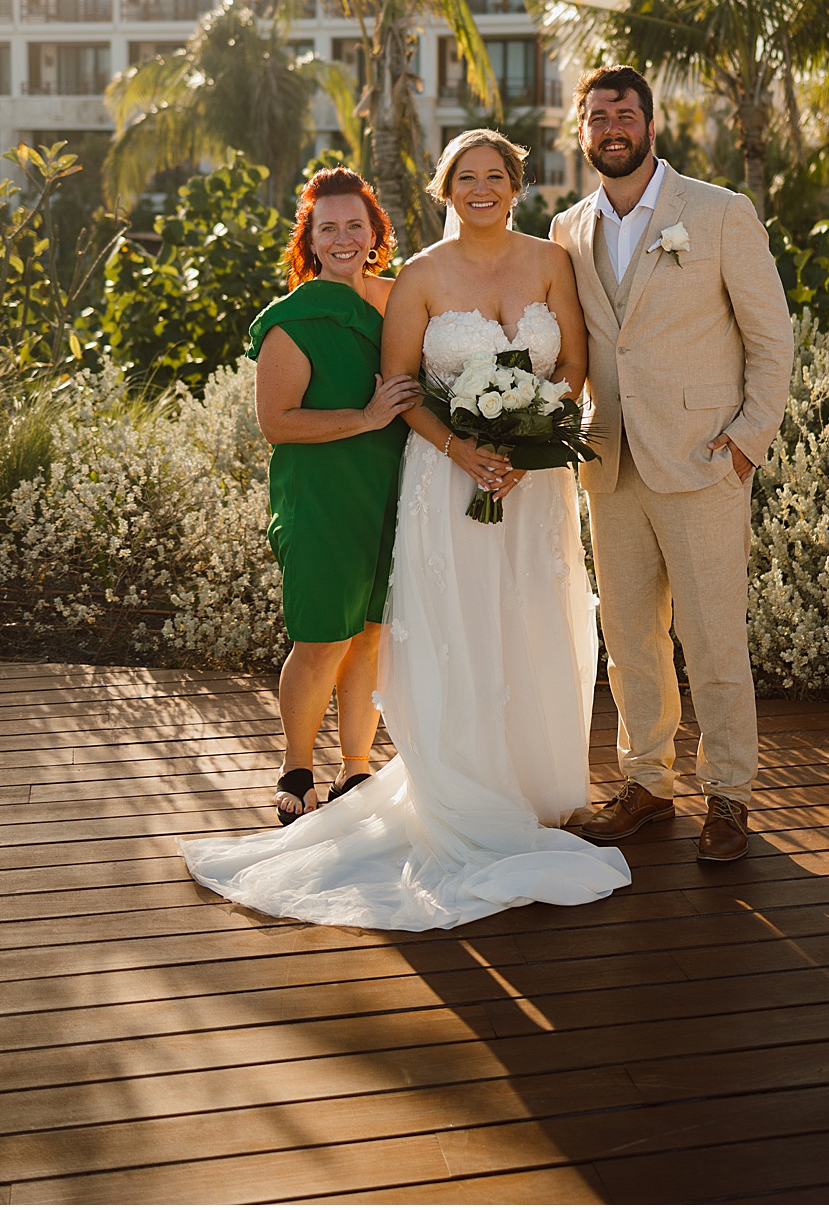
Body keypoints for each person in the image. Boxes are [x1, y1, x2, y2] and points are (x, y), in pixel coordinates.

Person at [180, 130, 629, 929]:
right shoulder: (412, 278)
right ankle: (356, 775)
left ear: (515, 185)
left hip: (529, 483)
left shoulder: (543, 262)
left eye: (495, 176)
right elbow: (400, 386)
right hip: (441, 474)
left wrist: (530, 427)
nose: (481, 188)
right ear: (444, 190)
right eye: (466, 177)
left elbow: (572, 366)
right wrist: (466, 447)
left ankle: (523, 783)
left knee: (523, 618)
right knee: (434, 627)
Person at [550, 66, 795, 862]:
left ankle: (728, 793)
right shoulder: (567, 228)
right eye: (597, 116)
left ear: (651, 124)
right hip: (611, 460)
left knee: (713, 637)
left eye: (625, 113)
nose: (611, 127)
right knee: (629, 636)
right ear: (581, 132)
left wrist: (747, 441)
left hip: (703, 461)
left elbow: (772, 338)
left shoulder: (719, 212)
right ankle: (647, 781)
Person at [246, 166, 417, 823]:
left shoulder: (400, 299)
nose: (343, 238)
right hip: (320, 496)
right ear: (310, 240)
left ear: (375, 233)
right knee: (321, 638)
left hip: (392, 487)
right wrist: (368, 417)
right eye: (328, 228)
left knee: (370, 634)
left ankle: (356, 765)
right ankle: (296, 765)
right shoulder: (292, 321)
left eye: (355, 225)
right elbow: (277, 422)